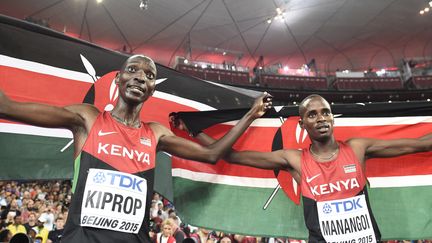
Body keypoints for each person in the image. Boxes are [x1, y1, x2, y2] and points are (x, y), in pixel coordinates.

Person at [0, 54, 272, 243]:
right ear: (118, 79)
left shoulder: (154, 133)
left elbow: (212, 155)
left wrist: (250, 115)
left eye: (149, 75)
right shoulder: (88, 119)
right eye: (133, 70)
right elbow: (8, 108)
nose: (141, 77)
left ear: (152, 88)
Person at [176, 94, 432, 242]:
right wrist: (197, 131)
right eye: (313, 114)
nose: (321, 118)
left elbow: (419, 144)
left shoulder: (356, 148)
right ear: (302, 124)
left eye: (326, 112)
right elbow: (230, 155)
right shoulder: (294, 160)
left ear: (333, 117)